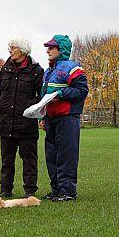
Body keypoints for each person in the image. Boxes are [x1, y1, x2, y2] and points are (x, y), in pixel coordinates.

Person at [0, 36, 44, 198]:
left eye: (13, 47)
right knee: (6, 161)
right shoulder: (5, 68)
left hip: (26, 124)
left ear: (22, 50)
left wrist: (30, 106)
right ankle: (5, 190)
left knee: (29, 160)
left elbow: (41, 95)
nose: (10, 50)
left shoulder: (36, 70)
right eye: (10, 47)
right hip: (6, 122)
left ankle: (30, 192)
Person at [40, 34, 88, 201]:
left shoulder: (74, 68)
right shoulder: (48, 71)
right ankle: (56, 190)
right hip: (51, 119)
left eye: (52, 47)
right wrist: (42, 115)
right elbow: (44, 96)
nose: (48, 50)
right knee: (51, 156)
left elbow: (82, 92)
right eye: (48, 47)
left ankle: (67, 192)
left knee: (66, 156)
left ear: (62, 49)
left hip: (68, 118)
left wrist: (61, 93)